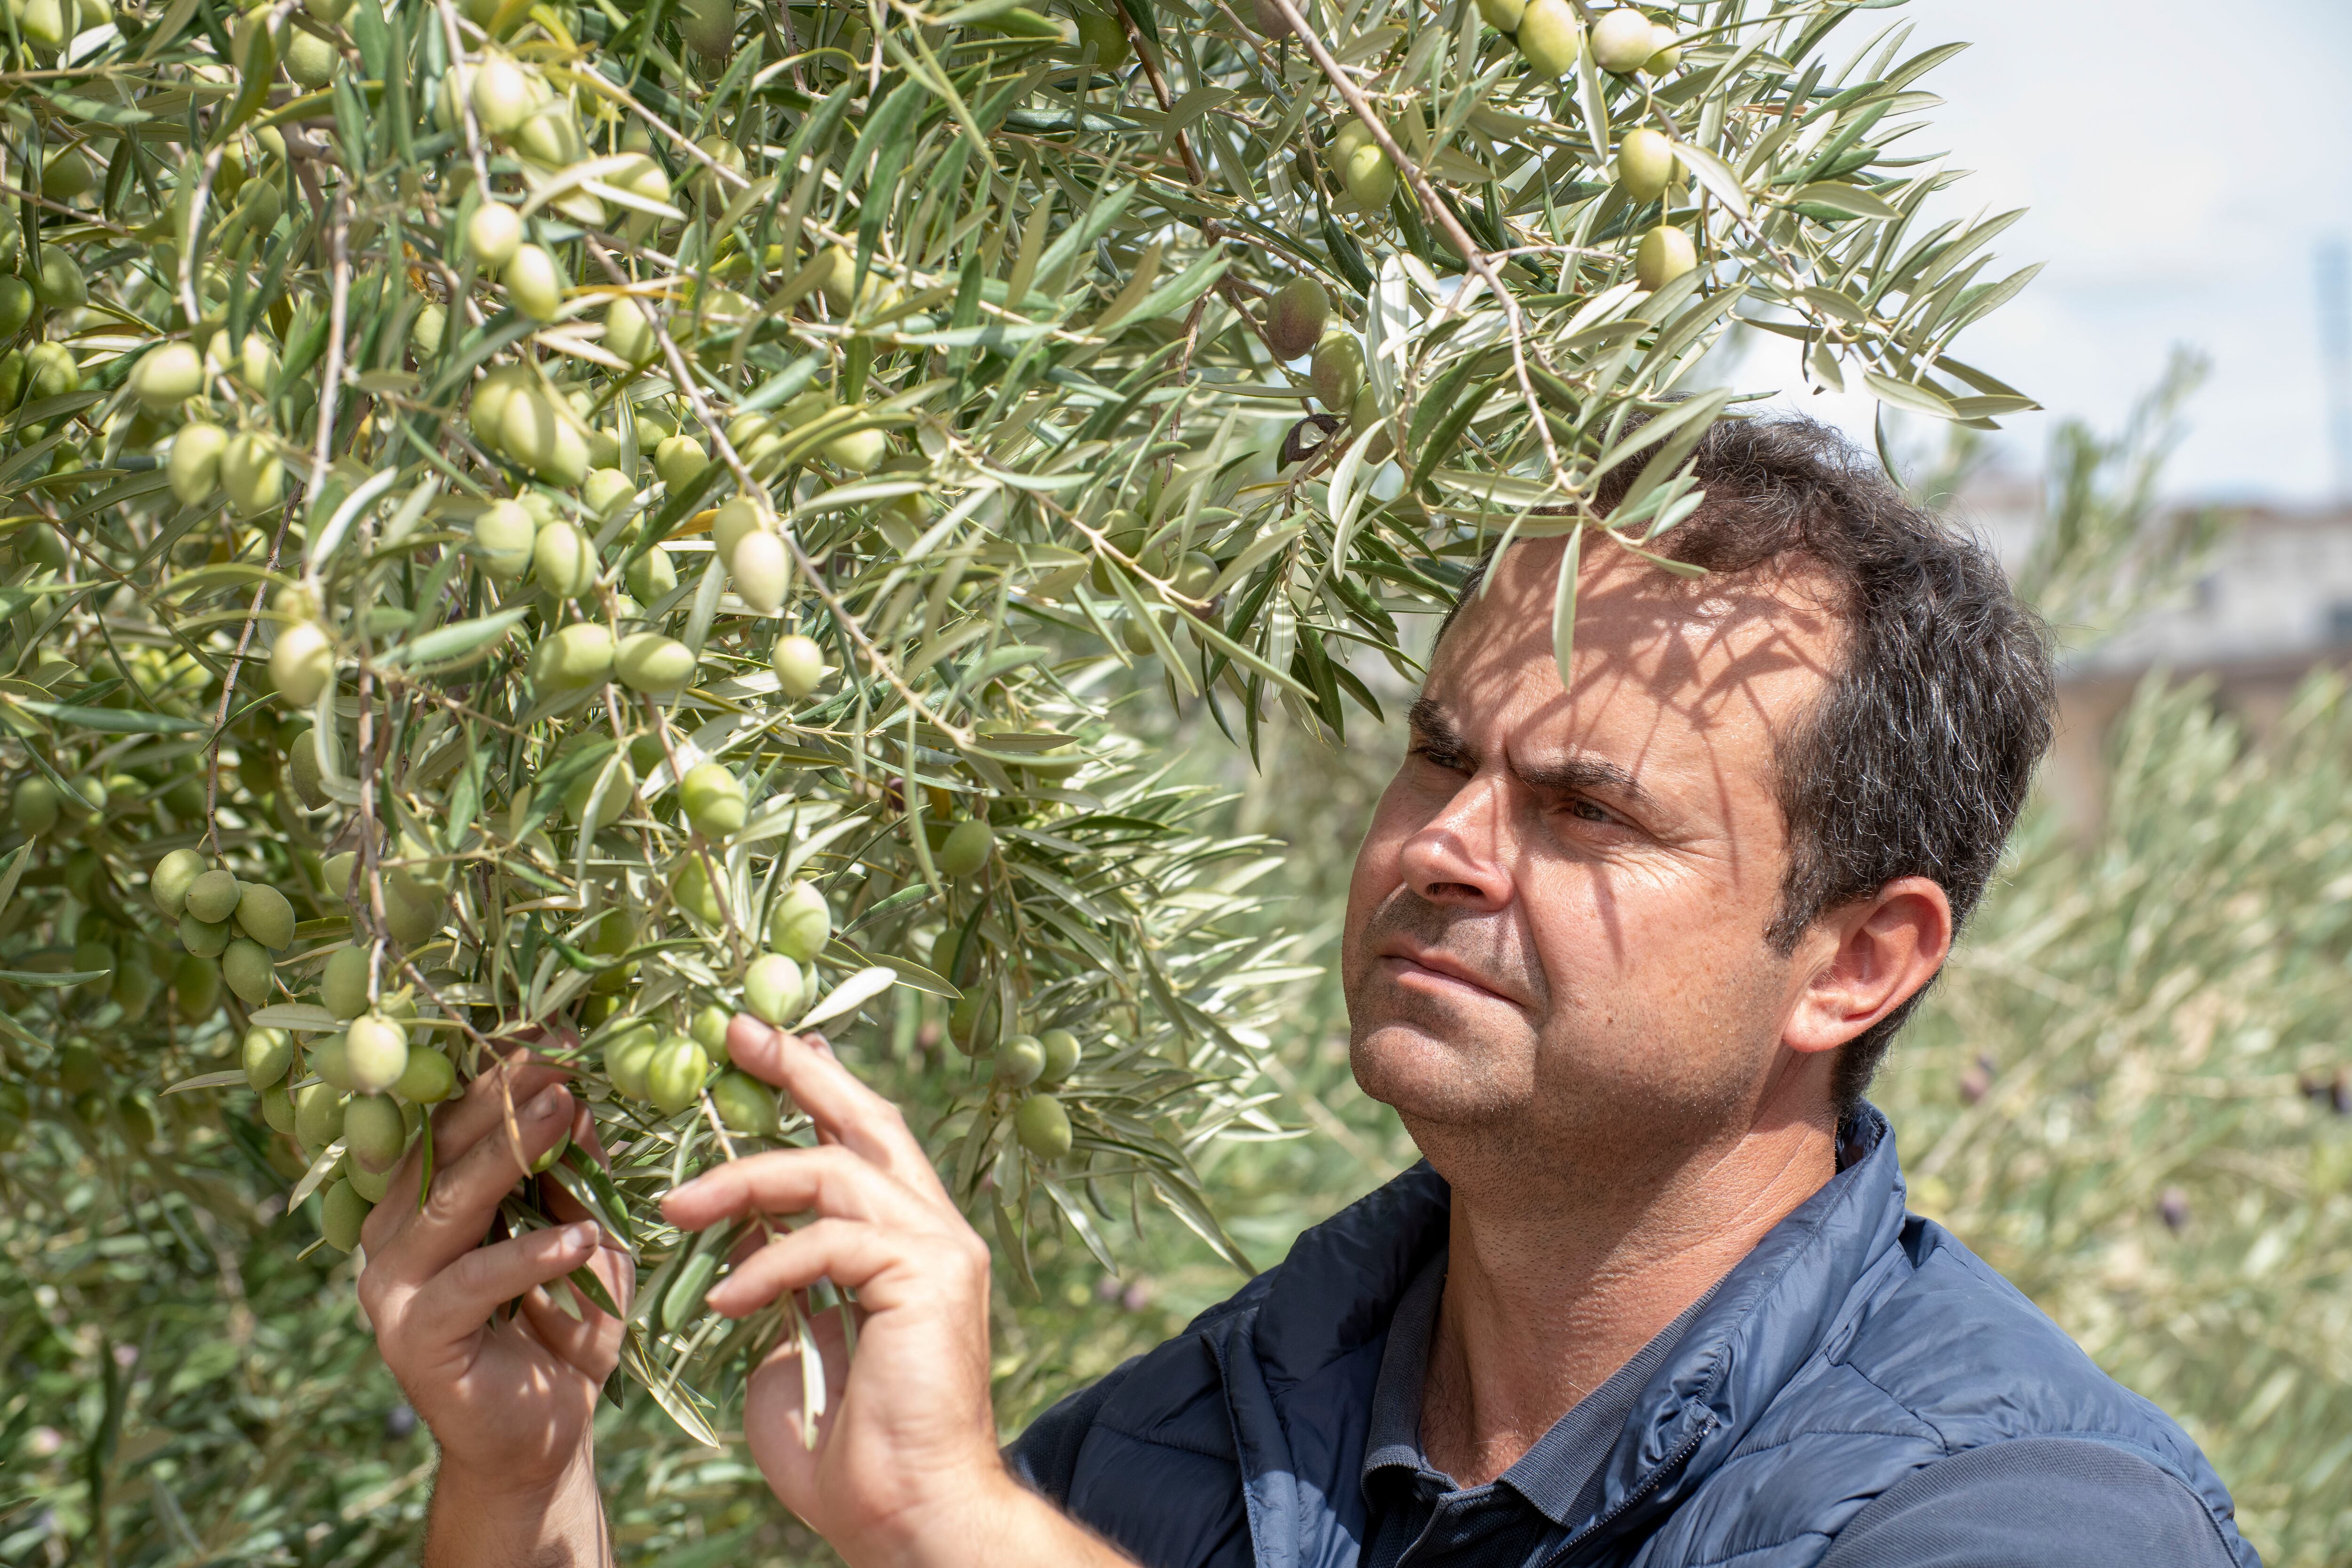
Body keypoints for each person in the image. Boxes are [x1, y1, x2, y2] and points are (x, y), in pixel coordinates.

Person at [360, 416, 2259, 1568]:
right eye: (1439, 759)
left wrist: (956, 1527)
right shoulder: (1178, 1450)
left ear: (1854, 961)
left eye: (1585, 809)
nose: (1445, 845)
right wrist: (525, 1487)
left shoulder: (2022, 1517)